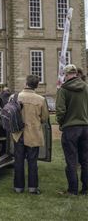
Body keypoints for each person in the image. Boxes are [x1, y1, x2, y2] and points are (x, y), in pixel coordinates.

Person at [12, 75, 49, 195]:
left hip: (19, 133)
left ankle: (18, 187)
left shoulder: (15, 97)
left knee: (18, 161)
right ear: (37, 85)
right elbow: (44, 118)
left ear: (26, 83)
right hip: (33, 133)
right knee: (32, 161)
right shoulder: (41, 99)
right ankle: (32, 188)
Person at [56, 64, 88, 196]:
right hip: (86, 128)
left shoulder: (63, 89)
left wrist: (62, 123)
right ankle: (86, 189)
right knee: (85, 160)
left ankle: (72, 190)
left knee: (71, 160)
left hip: (70, 128)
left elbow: (60, 110)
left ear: (66, 74)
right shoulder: (86, 87)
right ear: (76, 73)